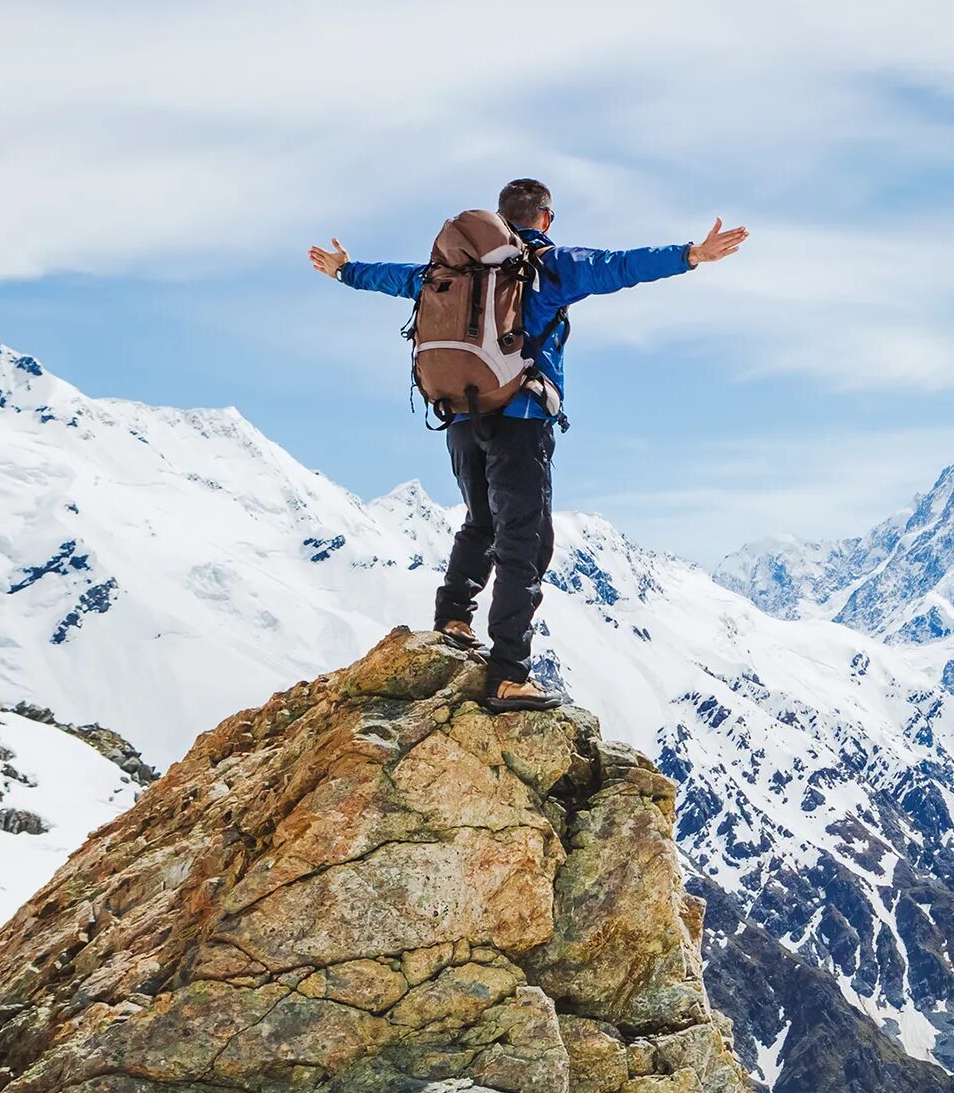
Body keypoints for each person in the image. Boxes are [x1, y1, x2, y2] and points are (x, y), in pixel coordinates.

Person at [310, 178, 747, 711]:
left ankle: (452, 618)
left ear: (498, 217)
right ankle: (509, 674)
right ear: (545, 217)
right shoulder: (544, 265)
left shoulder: (456, 268)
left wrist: (344, 270)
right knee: (525, 540)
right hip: (520, 416)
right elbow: (619, 266)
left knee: (480, 521)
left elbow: (400, 280)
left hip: (461, 414)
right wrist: (690, 255)